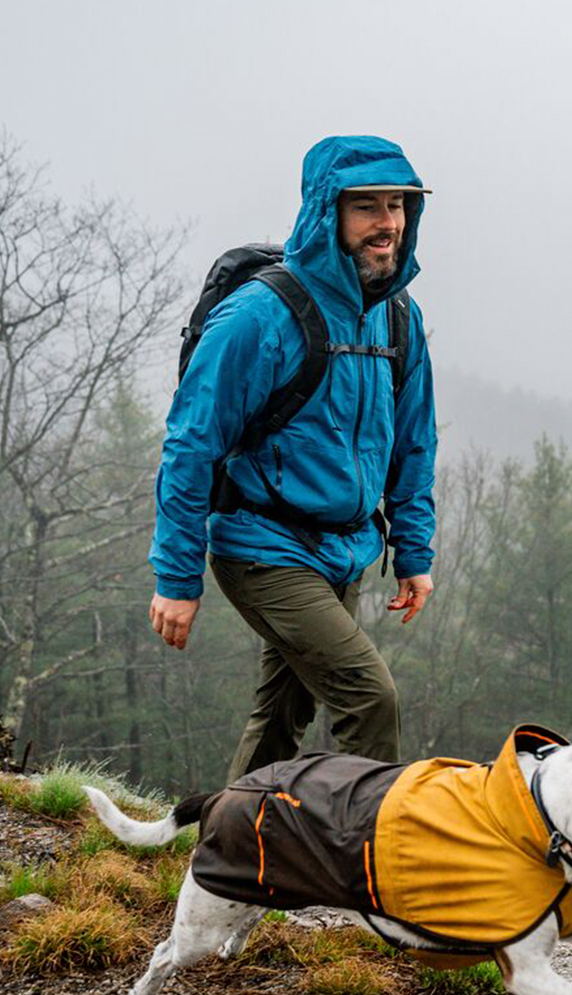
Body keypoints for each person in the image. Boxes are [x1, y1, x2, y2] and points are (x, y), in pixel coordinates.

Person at [147, 135, 436, 782]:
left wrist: (414, 554)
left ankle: (228, 856)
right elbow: (191, 445)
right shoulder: (260, 317)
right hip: (263, 549)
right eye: (366, 207)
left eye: (397, 206)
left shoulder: (397, 319)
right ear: (324, 211)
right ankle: (361, 866)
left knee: (284, 712)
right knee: (371, 699)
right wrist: (176, 576)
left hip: (347, 549)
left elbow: (414, 442)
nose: (387, 223)